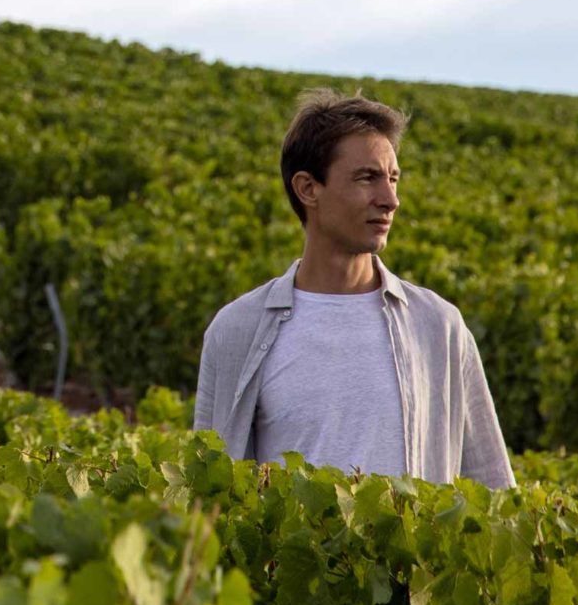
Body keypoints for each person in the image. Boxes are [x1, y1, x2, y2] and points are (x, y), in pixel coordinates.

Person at [194, 90, 512, 488]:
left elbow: (492, 487)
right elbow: (208, 492)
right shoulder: (235, 331)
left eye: (393, 178)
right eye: (367, 178)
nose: (390, 199)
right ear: (308, 189)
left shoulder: (439, 327)